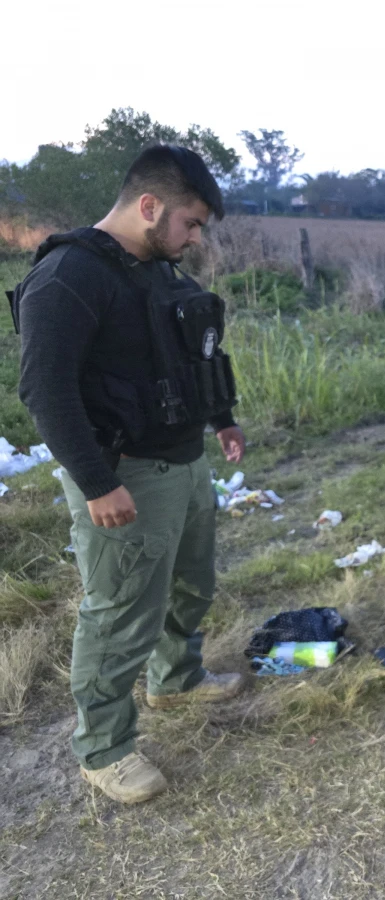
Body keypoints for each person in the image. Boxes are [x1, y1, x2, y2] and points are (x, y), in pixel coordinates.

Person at [9, 146, 247, 804]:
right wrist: (94, 482)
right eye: (191, 223)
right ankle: (104, 748)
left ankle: (175, 679)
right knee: (119, 616)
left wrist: (221, 417)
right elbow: (43, 390)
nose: (196, 238)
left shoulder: (158, 271)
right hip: (124, 474)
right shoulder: (69, 276)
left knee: (191, 587)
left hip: (186, 460)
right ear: (149, 207)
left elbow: (197, 350)